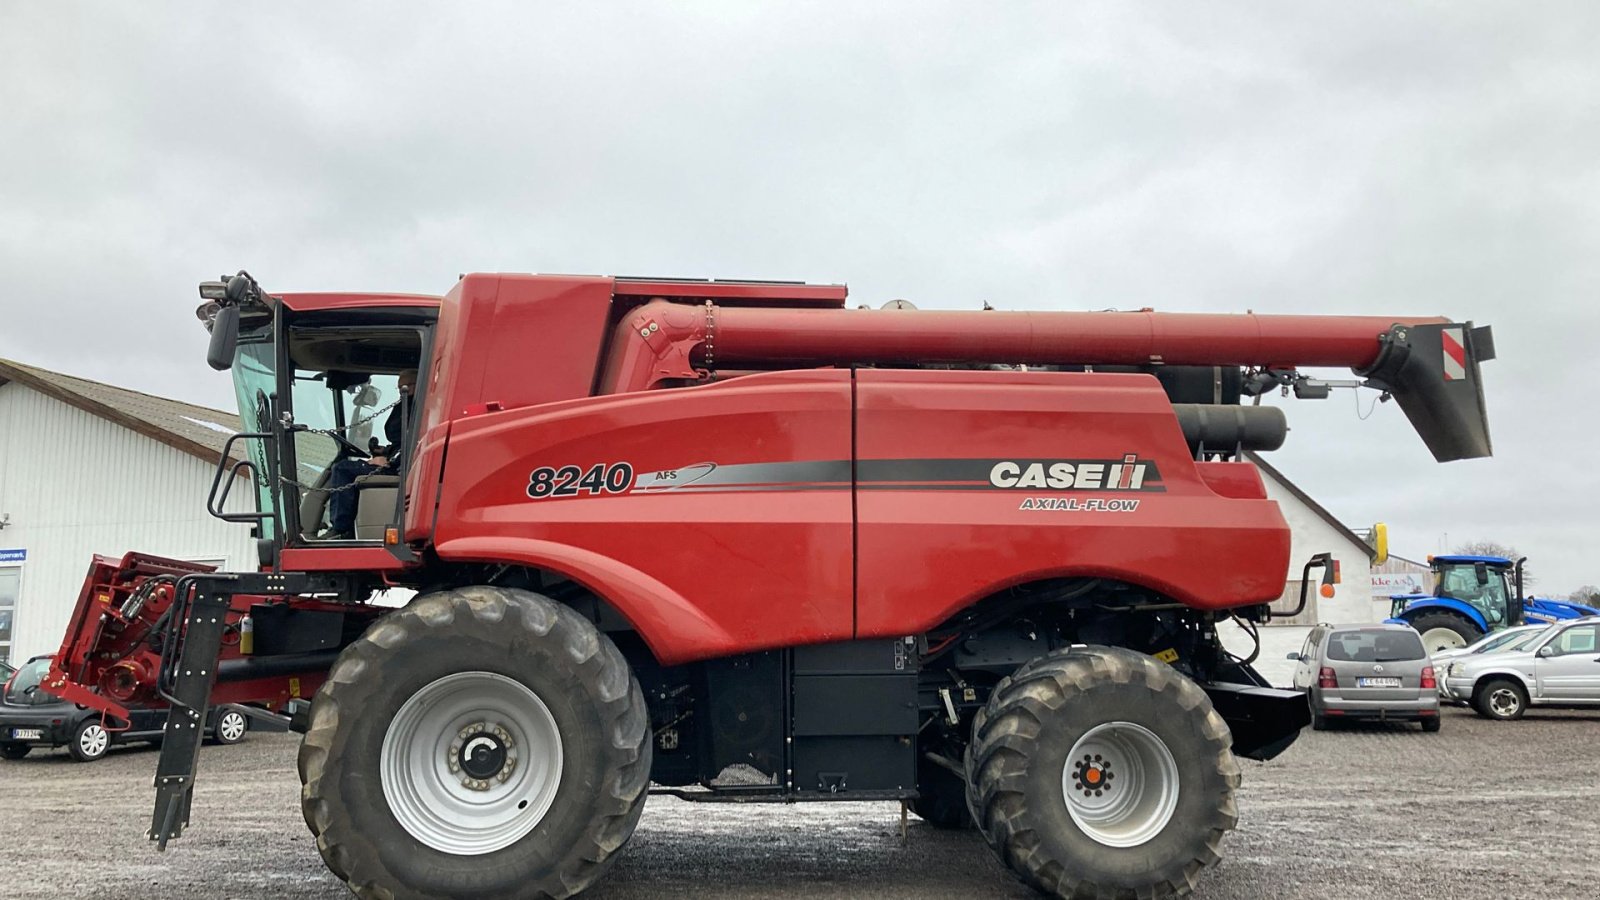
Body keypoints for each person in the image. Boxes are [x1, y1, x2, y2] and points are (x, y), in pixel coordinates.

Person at [323, 369, 416, 539]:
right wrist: (383, 451)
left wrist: (388, 460)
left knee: (342, 469)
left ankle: (341, 529)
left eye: (407, 386)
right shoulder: (406, 406)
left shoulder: (419, 409)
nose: (403, 390)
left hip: (400, 468)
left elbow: (413, 441)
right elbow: (402, 441)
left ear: (418, 384)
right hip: (396, 461)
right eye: (400, 387)